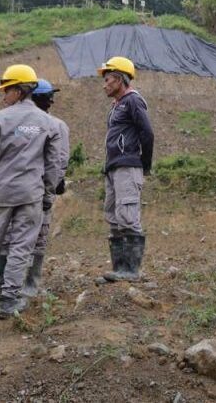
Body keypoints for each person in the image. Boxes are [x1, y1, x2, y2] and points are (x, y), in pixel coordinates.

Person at [0, 64, 61, 319]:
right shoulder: (47, 123)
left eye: (7, 90)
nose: (3, 95)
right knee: (21, 247)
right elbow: (54, 163)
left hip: (0, 193)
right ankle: (9, 300)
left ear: (19, 90)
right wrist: (48, 192)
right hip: (31, 195)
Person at [0, 78, 69, 298]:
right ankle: (12, 286)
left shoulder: (54, 125)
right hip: (31, 189)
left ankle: (21, 285)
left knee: (28, 238)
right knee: (19, 238)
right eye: (48, 96)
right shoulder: (45, 123)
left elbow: (59, 162)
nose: (51, 100)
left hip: (33, 189)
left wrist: (49, 189)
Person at [97, 56, 154, 283]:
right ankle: (120, 269)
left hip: (128, 166)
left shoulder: (133, 101)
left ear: (120, 79)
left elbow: (147, 133)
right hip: (113, 168)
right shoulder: (116, 106)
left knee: (128, 215)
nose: (105, 84)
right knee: (114, 215)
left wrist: (144, 165)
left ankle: (131, 271)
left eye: (108, 79)